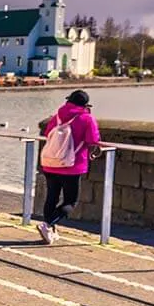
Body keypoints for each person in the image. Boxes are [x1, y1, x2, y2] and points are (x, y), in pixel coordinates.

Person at [37, 90, 101, 244]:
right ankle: (47, 224)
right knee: (70, 202)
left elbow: (47, 134)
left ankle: (49, 231)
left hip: (51, 164)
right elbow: (93, 139)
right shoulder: (86, 118)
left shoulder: (57, 116)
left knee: (51, 197)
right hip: (72, 166)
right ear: (85, 105)